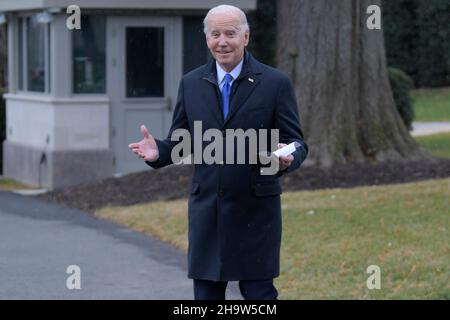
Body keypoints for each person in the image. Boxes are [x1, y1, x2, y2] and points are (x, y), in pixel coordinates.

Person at [128, 4, 308, 300]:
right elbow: (181, 142)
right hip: (207, 211)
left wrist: (286, 158)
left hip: (256, 211)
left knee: (260, 296)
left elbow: (297, 141)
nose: (222, 41)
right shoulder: (191, 83)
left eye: (230, 33)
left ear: (246, 37)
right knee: (206, 298)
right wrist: (158, 151)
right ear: (207, 39)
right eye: (215, 34)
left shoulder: (275, 83)